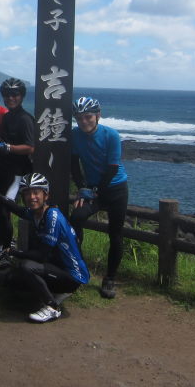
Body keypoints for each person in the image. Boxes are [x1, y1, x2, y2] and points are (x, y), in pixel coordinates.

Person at [0, 173, 89, 323]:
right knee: (12, 279)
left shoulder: (52, 216)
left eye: (36, 192)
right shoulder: (36, 213)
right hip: (58, 268)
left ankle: (52, 307)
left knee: (27, 267)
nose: (31, 197)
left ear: (46, 195)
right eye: (27, 193)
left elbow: (41, 256)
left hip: (73, 276)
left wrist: (13, 252)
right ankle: (51, 295)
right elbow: (17, 209)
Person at [69, 96, 129, 299]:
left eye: (88, 117)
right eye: (79, 118)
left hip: (115, 189)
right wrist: (81, 188)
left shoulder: (111, 135)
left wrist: (93, 191)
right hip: (93, 189)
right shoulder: (75, 135)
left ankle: (110, 278)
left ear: (98, 115)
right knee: (76, 217)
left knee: (116, 233)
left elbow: (113, 169)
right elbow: (73, 163)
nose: (84, 121)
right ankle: (79, 266)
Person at [0, 78, 36, 269]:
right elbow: (6, 140)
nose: (10, 98)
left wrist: (7, 147)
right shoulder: (8, 117)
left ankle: (6, 251)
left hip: (17, 173)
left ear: (21, 96)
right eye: (7, 95)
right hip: (3, 169)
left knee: (6, 208)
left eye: (15, 94)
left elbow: (30, 147)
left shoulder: (25, 119)